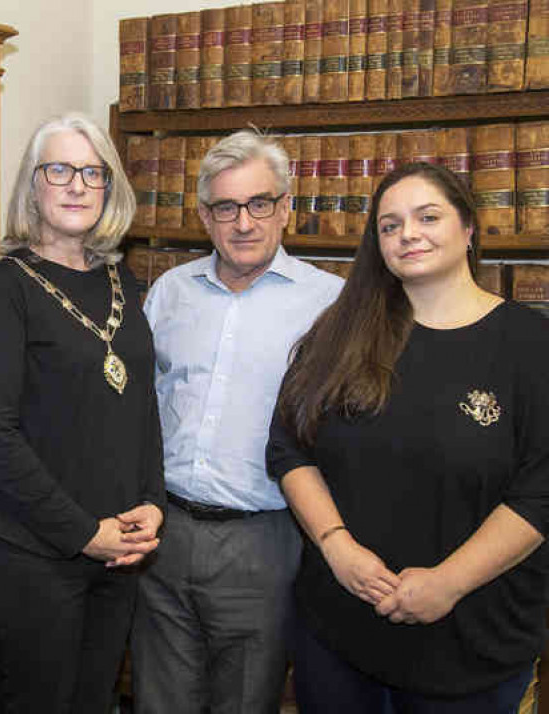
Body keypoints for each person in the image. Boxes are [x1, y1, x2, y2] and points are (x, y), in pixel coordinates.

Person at [268, 161, 549, 712]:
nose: (408, 234)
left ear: (468, 229)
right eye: (390, 225)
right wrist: (337, 546)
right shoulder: (339, 332)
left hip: (473, 643)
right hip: (339, 631)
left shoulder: (531, 346)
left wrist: (448, 583)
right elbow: (288, 447)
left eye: (427, 216)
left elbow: (541, 490)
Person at [132, 130, 343, 714]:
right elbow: (141, 407)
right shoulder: (170, 292)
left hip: (265, 542)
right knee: (157, 700)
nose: (244, 222)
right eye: (226, 207)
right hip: (163, 535)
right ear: (204, 215)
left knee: (247, 701)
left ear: (286, 208)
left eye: (260, 203)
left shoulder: (331, 304)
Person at [0, 112, 165, 714]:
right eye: (59, 170)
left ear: (109, 188)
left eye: (92, 172)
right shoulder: (3, 287)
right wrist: (85, 534)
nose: (77, 185)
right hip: (33, 560)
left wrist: (152, 502)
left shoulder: (121, 280)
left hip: (120, 556)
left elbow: (142, 407)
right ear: (32, 185)